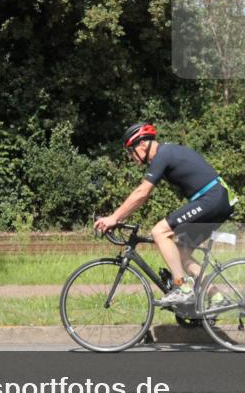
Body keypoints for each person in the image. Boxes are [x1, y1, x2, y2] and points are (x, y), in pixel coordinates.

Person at [93, 122, 236, 306]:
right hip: (217, 198)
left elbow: (142, 193)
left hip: (212, 197)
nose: (130, 157)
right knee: (181, 253)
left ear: (143, 145)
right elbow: (142, 195)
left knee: (159, 231)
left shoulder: (163, 154)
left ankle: (183, 287)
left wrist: (114, 218)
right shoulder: (165, 153)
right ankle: (217, 297)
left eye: (131, 151)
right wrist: (119, 216)